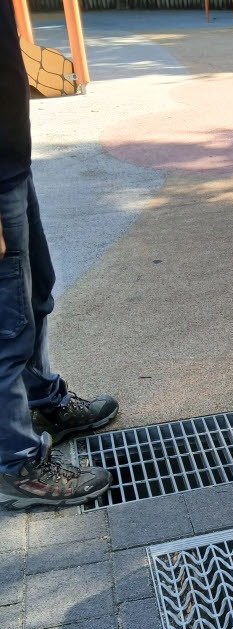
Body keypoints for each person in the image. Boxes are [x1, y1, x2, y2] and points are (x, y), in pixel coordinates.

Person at [0, 0, 117, 509]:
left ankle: (44, 399)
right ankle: (16, 464)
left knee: (35, 293)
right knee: (5, 325)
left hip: (12, 162)